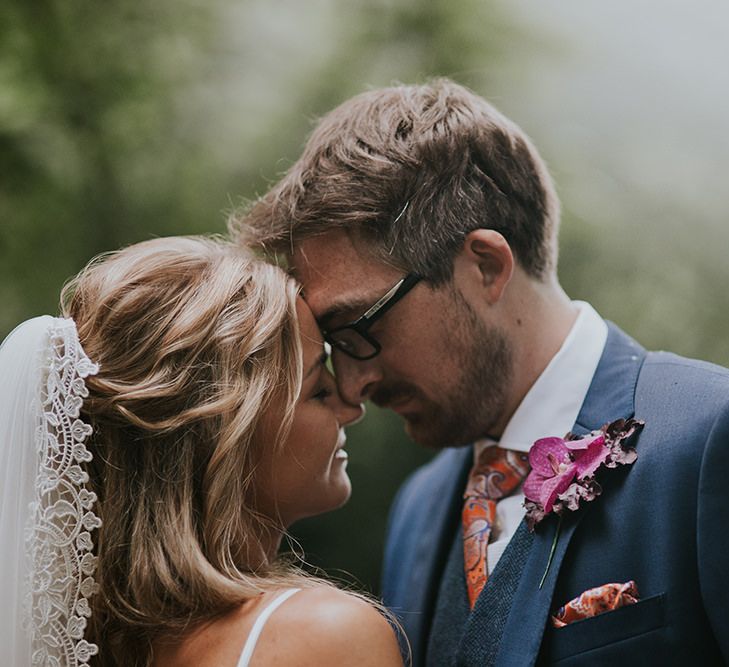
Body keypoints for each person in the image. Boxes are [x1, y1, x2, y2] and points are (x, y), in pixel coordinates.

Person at [237, 79, 729, 666]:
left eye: (358, 328)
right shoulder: (417, 509)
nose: (351, 384)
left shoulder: (708, 440)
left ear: (487, 266)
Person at [0, 236, 404, 667]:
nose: (351, 408)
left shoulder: (91, 646)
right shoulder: (326, 636)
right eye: (319, 391)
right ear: (226, 437)